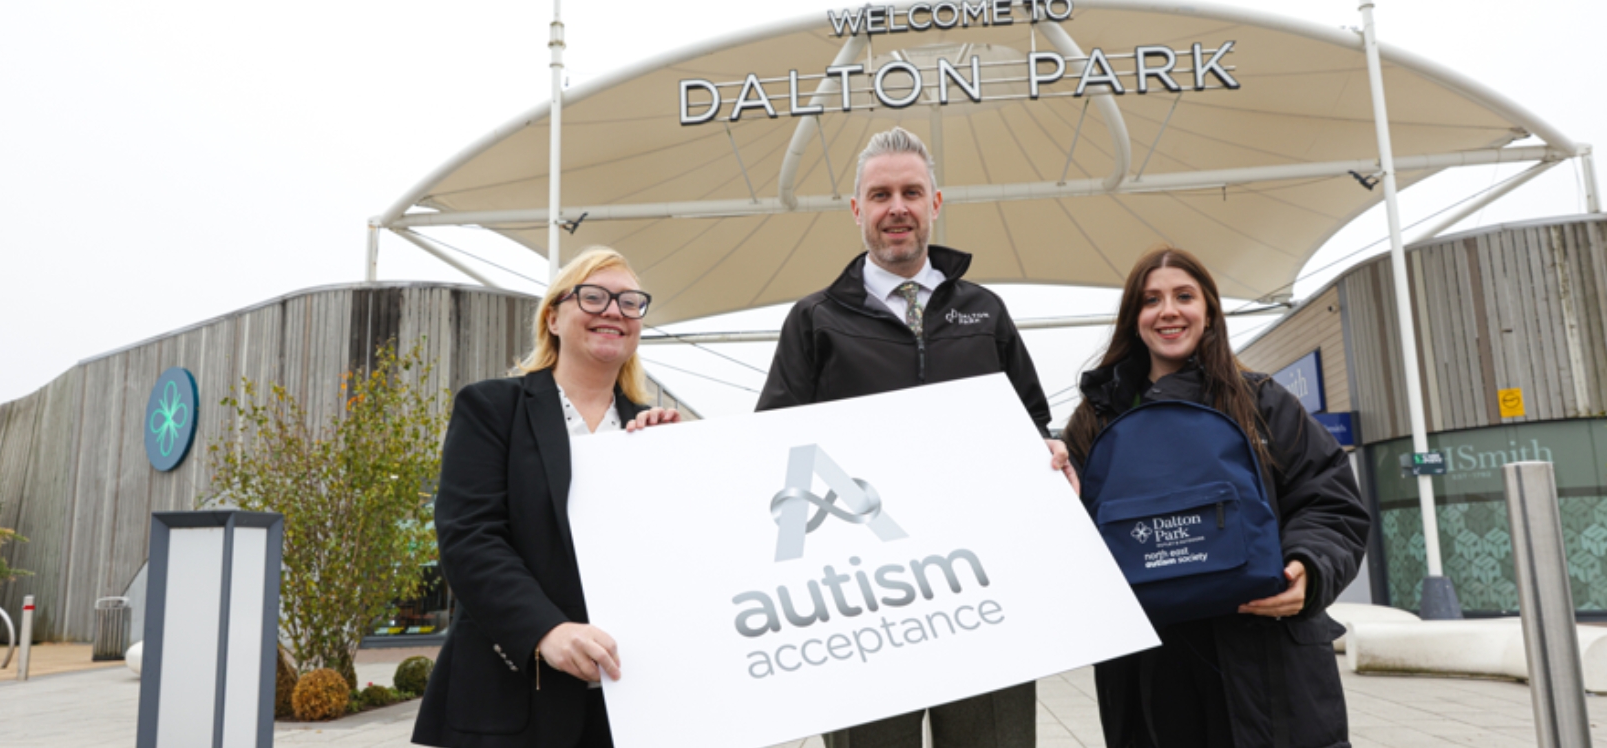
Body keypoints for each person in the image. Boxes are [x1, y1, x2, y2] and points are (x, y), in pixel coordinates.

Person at [757, 126, 1067, 748]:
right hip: (864, 604)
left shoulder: (986, 312)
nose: (895, 207)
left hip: (983, 589)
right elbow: (774, 444)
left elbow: (1032, 421)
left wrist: (1049, 449)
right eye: (879, 195)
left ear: (935, 203)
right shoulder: (815, 320)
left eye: (910, 192)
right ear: (856, 211)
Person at [1062, 245, 1369, 748]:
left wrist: (1309, 568)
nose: (1168, 311)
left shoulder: (1260, 401)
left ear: (1208, 312)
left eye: (1184, 296)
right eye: (1151, 300)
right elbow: (1067, 529)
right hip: (1151, 667)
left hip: (1265, 650)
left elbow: (1329, 499)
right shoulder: (1095, 418)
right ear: (1133, 319)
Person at [413, 247, 680, 748]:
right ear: (554, 317)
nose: (613, 311)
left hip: (632, 701)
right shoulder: (492, 408)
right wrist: (545, 631)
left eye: (629, 302)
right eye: (594, 296)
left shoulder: (654, 431)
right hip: (511, 699)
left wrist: (678, 463)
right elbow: (470, 537)